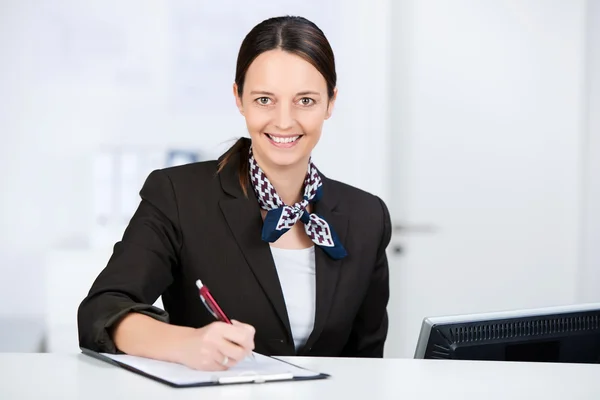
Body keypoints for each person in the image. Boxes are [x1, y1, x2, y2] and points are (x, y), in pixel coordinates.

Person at [77, 15, 391, 371]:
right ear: (239, 99)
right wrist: (184, 343)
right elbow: (101, 311)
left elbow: (368, 364)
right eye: (264, 100)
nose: (284, 121)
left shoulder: (367, 216)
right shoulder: (179, 196)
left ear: (330, 102)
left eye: (305, 100)